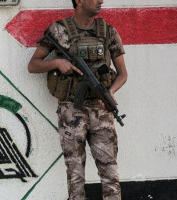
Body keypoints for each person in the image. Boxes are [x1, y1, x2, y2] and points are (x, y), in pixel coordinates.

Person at [27, 0, 127, 199]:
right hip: (71, 110)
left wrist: (111, 92)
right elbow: (33, 65)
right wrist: (57, 63)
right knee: (75, 176)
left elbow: (123, 74)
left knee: (111, 175)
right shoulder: (59, 31)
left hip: (101, 110)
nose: (101, 1)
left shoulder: (108, 31)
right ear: (79, 0)